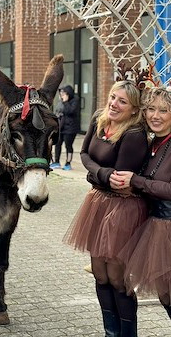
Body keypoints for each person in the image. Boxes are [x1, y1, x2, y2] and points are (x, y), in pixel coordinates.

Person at [63, 80, 149, 336]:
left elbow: (119, 184)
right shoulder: (99, 119)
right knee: (100, 273)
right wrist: (100, 173)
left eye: (122, 101)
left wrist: (96, 176)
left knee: (117, 277)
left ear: (134, 109)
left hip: (123, 208)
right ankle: (110, 332)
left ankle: (127, 333)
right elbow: (85, 155)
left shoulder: (133, 134)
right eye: (113, 97)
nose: (114, 104)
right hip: (98, 203)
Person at [110, 87, 171, 319]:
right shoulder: (154, 142)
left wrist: (137, 181)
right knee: (166, 296)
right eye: (150, 109)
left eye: (163, 110)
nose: (155, 115)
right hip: (156, 226)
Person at [50, 85, 80, 170]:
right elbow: (57, 111)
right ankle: (56, 162)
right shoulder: (61, 101)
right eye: (61, 93)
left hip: (71, 128)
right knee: (57, 144)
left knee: (68, 146)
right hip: (61, 127)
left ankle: (68, 163)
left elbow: (70, 111)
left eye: (63, 93)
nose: (62, 95)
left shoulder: (75, 100)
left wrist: (66, 102)